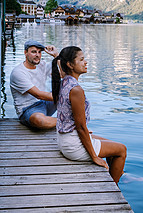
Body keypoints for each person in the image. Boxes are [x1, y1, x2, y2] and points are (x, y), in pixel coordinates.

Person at [52, 46, 127, 184]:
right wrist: (94, 157)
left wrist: (57, 56)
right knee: (121, 150)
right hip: (73, 146)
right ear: (70, 65)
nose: (86, 62)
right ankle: (114, 188)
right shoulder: (76, 90)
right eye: (81, 59)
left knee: (110, 143)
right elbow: (81, 127)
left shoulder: (65, 81)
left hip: (65, 139)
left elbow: (61, 68)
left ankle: (119, 173)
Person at [10, 40, 59, 129]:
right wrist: (65, 97)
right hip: (29, 109)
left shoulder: (42, 65)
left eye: (39, 52)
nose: (37, 55)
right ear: (25, 53)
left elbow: (63, 73)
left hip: (45, 103)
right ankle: (69, 121)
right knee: (40, 121)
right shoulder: (18, 72)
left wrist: (56, 55)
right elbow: (38, 95)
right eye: (33, 52)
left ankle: (74, 120)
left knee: (70, 88)